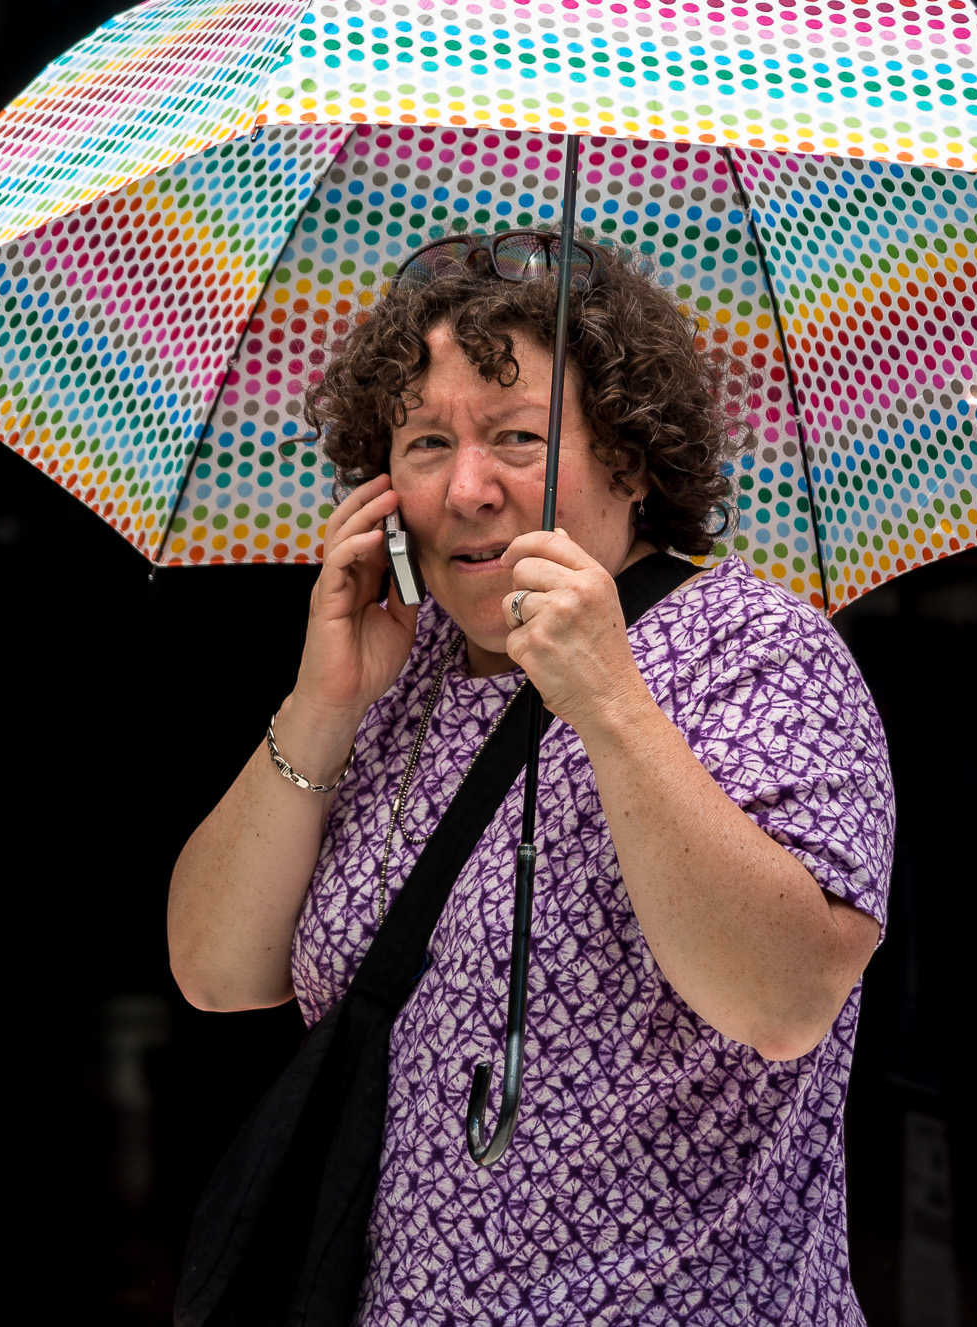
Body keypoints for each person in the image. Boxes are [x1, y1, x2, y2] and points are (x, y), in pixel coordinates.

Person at [168, 233, 893, 1324]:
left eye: (517, 437)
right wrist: (323, 702)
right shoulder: (393, 669)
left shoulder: (758, 649)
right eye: (424, 444)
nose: (468, 488)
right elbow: (216, 972)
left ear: (633, 459)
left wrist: (607, 702)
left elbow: (784, 998)